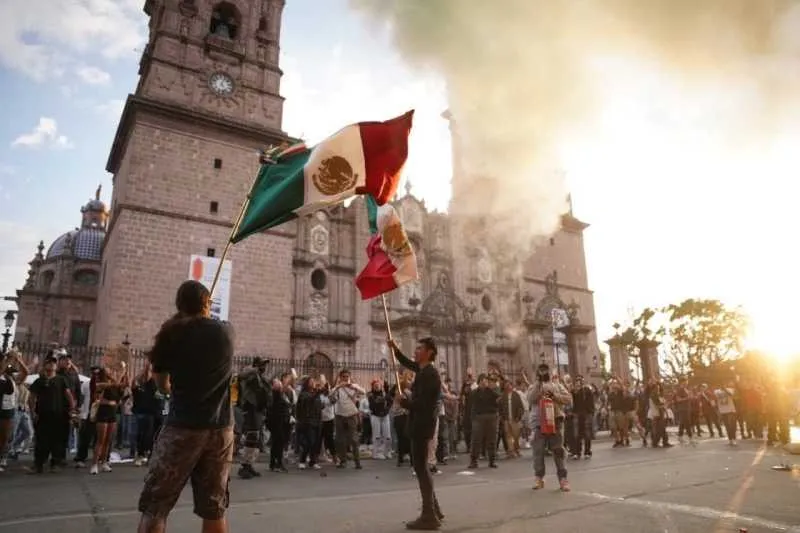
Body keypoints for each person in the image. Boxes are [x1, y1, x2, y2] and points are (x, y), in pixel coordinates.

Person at [137, 280, 234, 533]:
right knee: (214, 506)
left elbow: (161, 385)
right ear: (206, 303)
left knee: (156, 505)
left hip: (183, 426)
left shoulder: (170, 334)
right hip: (220, 429)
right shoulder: (226, 332)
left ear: (179, 305)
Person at [388, 337, 444, 531]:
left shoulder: (430, 374)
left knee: (421, 468)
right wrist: (395, 349)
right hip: (419, 425)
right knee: (422, 468)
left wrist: (404, 402)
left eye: (419, 348)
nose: (416, 351)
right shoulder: (424, 370)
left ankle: (429, 515)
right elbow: (409, 363)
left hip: (422, 425)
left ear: (429, 352)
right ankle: (434, 510)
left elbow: (424, 405)